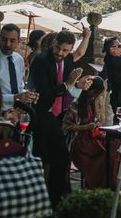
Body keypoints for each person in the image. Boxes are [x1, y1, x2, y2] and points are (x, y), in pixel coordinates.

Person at [27, 30, 93, 207]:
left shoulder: (68, 59)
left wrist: (79, 84)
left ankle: (54, 202)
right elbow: (44, 94)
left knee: (61, 159)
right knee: (40, 160)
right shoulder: (40, 61)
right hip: (41, 115)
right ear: (53, 43)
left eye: (65, 50)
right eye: (58, 48)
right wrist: (69, 84)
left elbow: (79, 54)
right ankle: (39, 201)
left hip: (57, 117)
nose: (60, 53)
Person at [62, 76, 109, 189]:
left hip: (92, 138)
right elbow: (65, 126)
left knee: (111, 149)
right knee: (102, 155)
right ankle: (93, 185)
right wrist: (85, 127)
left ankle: (103, 185)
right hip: (79, 142)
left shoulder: (92, 104)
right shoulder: (76, 105)